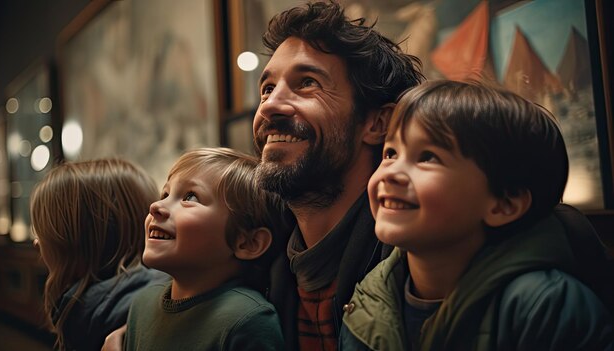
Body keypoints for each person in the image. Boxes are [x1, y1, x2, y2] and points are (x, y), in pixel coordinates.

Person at [340, 80, 614, 350]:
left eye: (428, 157)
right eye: (391, 153)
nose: (391, 173)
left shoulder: (546, 307)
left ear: (503, 205)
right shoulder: (370, 300)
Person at [252, 1, 424, 350]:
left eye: (307, 83)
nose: (269, 105)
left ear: (378, 124)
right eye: (267, 88)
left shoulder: (423, 268)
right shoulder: (252, 253)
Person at [123, 147, 292, 350]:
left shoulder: (247, 320)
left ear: (248, 242)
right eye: (165, 193)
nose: (156, 206)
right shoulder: (141, 304)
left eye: (190, 198)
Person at [30, 159, 169, 351]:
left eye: (45, 234)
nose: (37, 242)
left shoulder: (85, 316)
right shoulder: (175, 291)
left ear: (81, 245)